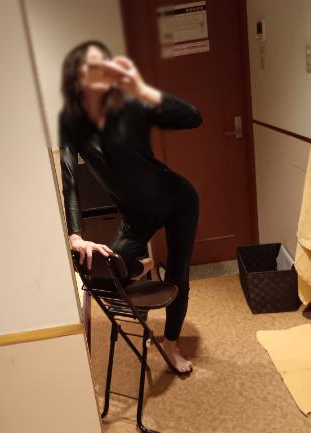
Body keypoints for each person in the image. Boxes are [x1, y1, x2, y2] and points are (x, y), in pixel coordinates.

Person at [59, 40, 202, 373]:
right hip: (135, 218)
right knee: (104, 279)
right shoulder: (72, 125)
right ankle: (140, 266)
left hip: (177, 200)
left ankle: (171, 344)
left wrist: (143, 89)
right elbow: (70, 181)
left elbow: (193, 117)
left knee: (178, 277)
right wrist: (76, 234)